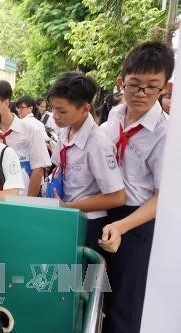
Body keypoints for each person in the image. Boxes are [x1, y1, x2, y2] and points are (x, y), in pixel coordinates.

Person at [99, 41, 174, 333]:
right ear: (121, 82)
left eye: (151, 87)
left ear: (164, 87)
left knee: (124, 306)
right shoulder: (115, 115)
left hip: (137, 222)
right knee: (94, 293)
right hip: (104, 210)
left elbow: (162, 197)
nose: (141, 94)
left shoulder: (165, 134)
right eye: (134, 85)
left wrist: (122, 227)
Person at [46, 71, 126, 247]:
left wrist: (69, 206)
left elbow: (117, 197)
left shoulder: (98, 144)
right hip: (68, 214)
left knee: (80, 272)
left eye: (62, 111)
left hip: (88, 222)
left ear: (85, 109)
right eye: (53, 108)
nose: (55, 116)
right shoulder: (65, 130)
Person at [0, 80, 51, 197]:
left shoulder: (31, 130)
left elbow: (38, 169)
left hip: (22, 199)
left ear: (6, 103)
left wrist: (28, 202)